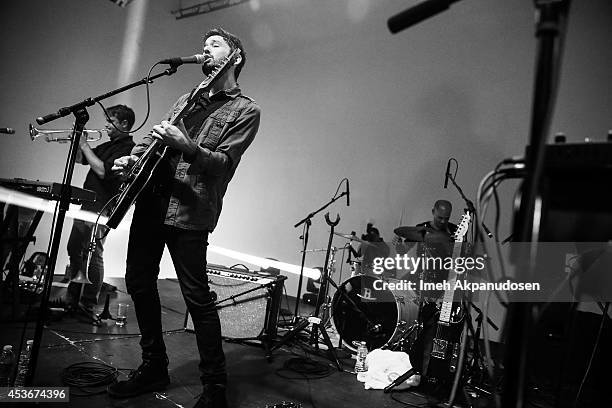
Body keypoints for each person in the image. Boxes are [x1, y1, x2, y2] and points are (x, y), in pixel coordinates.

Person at [108, 27, 260, 408]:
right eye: (203, 46)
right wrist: (133, 157)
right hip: (151, 202)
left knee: (196, 297)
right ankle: (153, 365)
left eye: (214, 46)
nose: (205, 51)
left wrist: (188, 147)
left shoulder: (246, 110)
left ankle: (215, 387)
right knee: (139, 283)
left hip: (189, 210)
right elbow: (153, 140)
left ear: (234, 57)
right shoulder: (185, 99)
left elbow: (223, 164)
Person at [64, 105, 135, 321]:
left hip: (102, 206)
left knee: (93, 253)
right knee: (75, 248)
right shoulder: (108, 145)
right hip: (88, 204)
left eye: (111, 121)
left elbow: (103, 171)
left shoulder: (126, 148)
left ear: (124, 124)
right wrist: (77, 142)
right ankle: (72, 301)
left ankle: (87, 304)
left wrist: (85, 144)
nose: (106, 125)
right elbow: (80, 160)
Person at [394, 200, 457, 388]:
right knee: (416, 324)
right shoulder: (421, 230)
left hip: (443, 287)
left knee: (437, 332)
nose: (443, 221)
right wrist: (398, 246)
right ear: (433, 212)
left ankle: (433, 371)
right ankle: (411, 363)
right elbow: (404, 250)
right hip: (419, 284)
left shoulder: (455, 232)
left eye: (446, 218)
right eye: (440, 217)